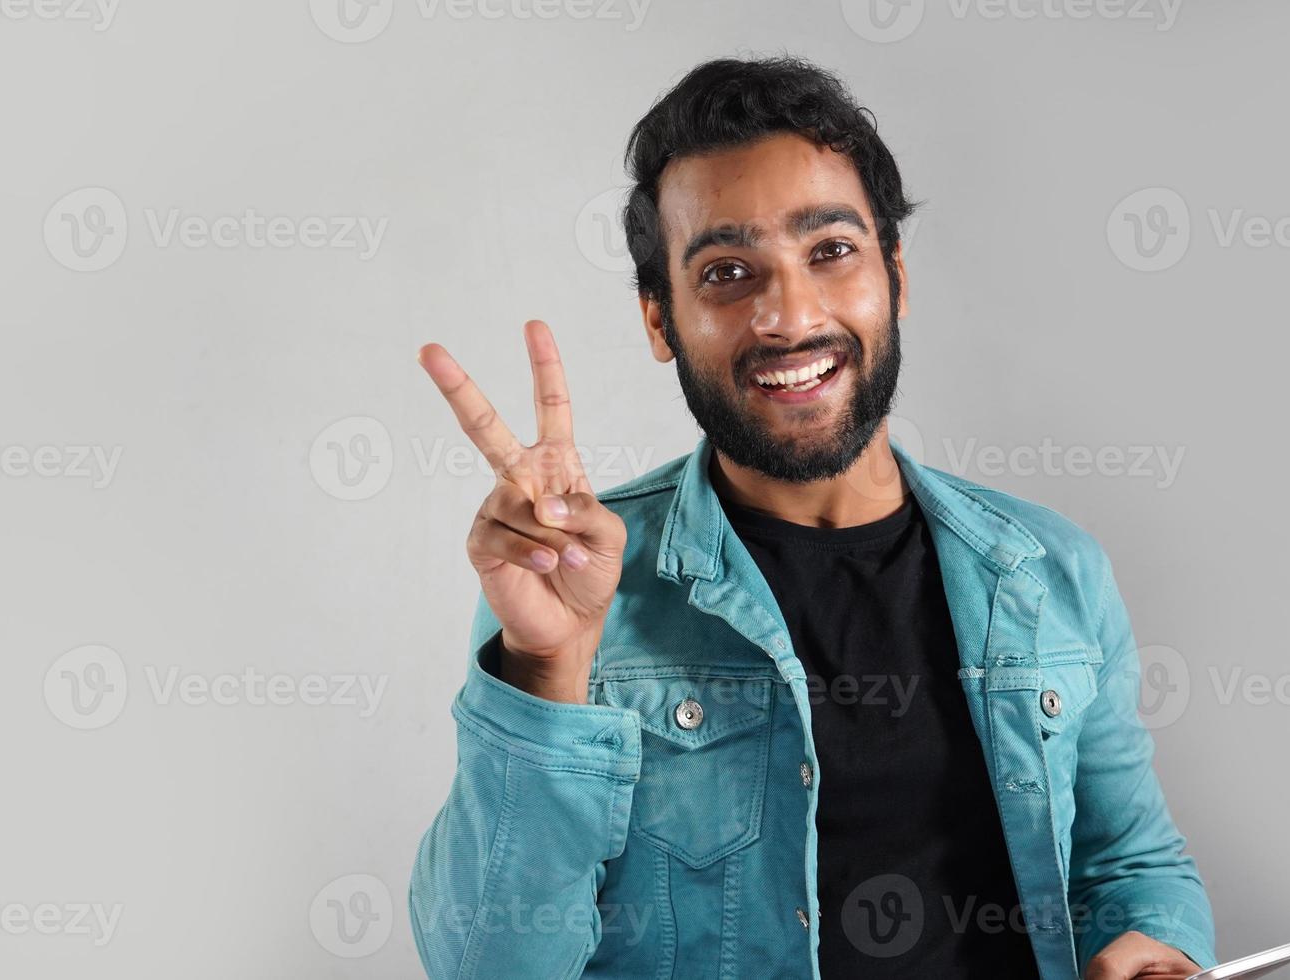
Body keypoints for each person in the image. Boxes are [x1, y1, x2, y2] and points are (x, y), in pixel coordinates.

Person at [408, 55, 1216, 980]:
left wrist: (1156, 950)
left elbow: (1134, 864)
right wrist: (549, 668)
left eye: (829, 251)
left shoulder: (1053, 568)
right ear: (660, 321)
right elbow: (487, 963)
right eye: (726, 272)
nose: (789, 316)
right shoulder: (576, 586)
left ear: (895, 275)